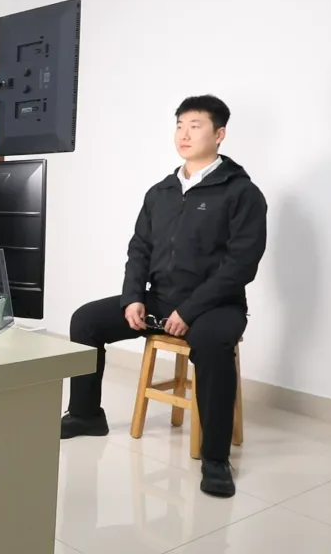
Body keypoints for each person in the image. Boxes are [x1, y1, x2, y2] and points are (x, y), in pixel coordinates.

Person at [60, 95, 267, 498]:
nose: (184, 134)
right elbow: (139, 248)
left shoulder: (242, 193)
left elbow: (241, 265)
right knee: (86, 320)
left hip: (216, 306)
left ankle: (215, 458)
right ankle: (86, 415)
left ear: (219, 134)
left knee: (212, 343)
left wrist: (189, 310)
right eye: (179, 125)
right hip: (160, 300)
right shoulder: (161, 192)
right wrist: (132, 297)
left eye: (195, 126)